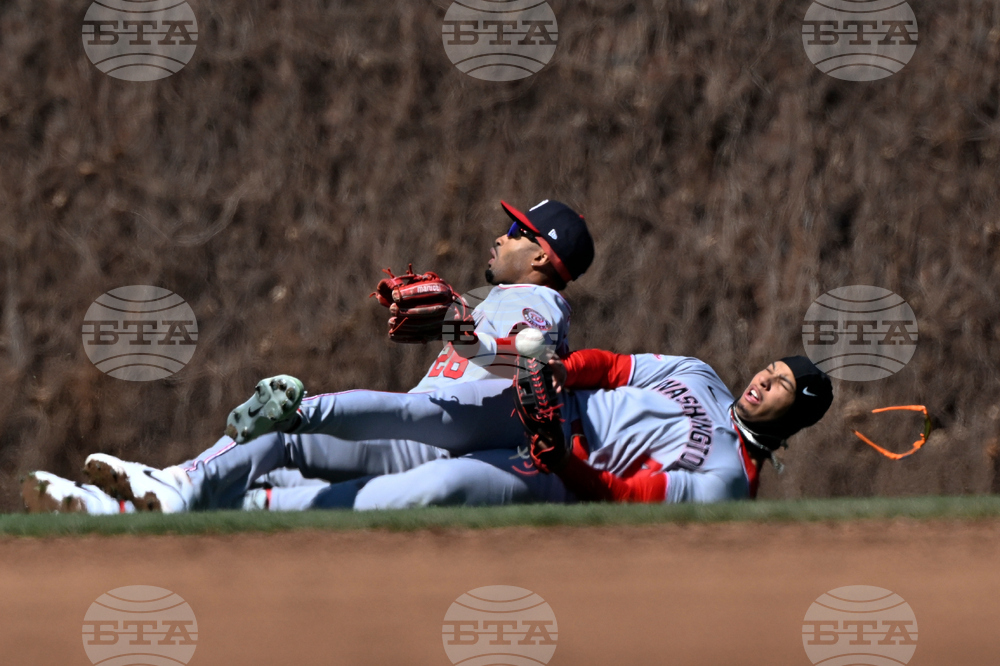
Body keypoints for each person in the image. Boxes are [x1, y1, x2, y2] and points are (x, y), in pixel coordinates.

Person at [20, 199, 595, 513]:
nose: (501, 236)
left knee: (282, 431)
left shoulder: (538, 301)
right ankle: (128, 504)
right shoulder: (502, 297)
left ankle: (171, 486)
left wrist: (467, 335)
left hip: (430, 442)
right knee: (273, 453)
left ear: (542, 258)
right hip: (416, 436)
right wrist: (460, 324)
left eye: (517, 230)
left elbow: (531, 355)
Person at [28, 346, 833, 513]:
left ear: (793, 413)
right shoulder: (699, 374)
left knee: (420, 490)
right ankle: (173, 486)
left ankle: (198, 505)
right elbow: (612, 366)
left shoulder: (728, 482)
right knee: (334, 435)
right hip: (534, 412)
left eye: (783, 387)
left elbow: (626, 496)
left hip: (549, 470)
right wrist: (555, 376)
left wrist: (561, 459)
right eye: (772, 367)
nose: (765, 379)